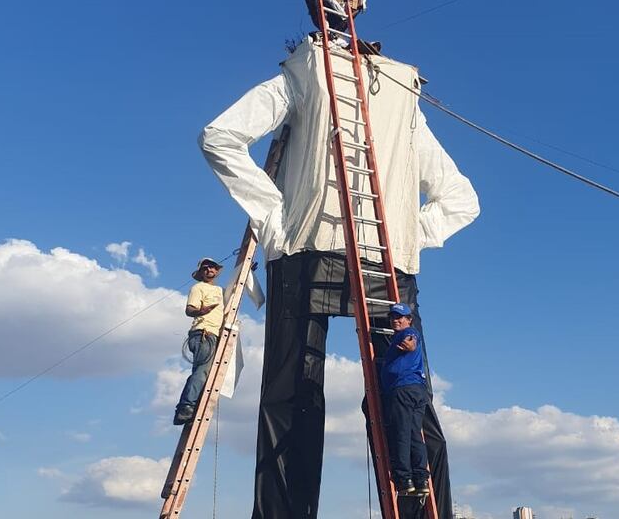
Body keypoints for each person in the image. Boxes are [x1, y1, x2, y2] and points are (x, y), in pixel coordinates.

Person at [200, 37, 479, 518]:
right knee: (405, 404)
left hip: (303, 251)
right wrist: (406, 234)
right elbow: (462, 200)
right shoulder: (398, 90)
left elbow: (219, 136)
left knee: (290, 402)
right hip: (387, 265)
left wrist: (274, 220)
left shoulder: (309, 69)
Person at [380, 302, 430, 495]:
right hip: (416, 390)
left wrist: (409, 344)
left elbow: (411, 340)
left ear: (409, 319)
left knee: (401, 433)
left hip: (403, 389)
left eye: (400, 317)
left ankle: (404, 479)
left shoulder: (407, 334)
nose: (396, 320)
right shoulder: (401, 335)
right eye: (393, 317)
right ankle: (421, 478)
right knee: (414, 434)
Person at [173, 257, 224, 426]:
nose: (209, 269)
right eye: (206, 267)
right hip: (203, 333)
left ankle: (187, 408)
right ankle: (187, 406)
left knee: (200, 372)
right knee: (202, 372)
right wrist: (201, 311)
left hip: (212, 334)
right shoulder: (198, 288)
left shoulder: (220, 290)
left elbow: (236, 292)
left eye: (212, 267)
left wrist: (247, 274)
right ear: (201, 272)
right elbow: (189, 310)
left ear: (216, 271)